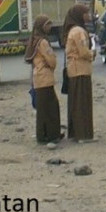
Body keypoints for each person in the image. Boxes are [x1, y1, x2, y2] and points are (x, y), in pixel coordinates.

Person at [24, 14, 63, 146]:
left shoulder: (34, 40)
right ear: (42, 26)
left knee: (42, 109)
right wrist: (52, 62)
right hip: (45, 78)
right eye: (48, 24)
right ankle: (52, 135)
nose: (50, 27)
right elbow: (51, 61)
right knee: (51, 108)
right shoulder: (43, 42)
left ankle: (43, 134)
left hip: (38, 78)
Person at [62, 3, 96, 142]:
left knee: (76, 103)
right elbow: (83, 52)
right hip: (80, 70)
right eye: (86, 13)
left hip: (75, 70)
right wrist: (92, 54)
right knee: (82, 104)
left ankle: (76, 133)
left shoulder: (73, 30)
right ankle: (83, 134)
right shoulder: (78, 31)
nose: (88, 16)